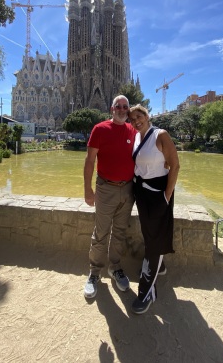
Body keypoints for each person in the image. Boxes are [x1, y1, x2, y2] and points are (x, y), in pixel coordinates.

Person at [83, 95, 137, 299]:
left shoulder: (133, 131)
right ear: (111, 109)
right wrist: (88, 189)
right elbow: (89, 161)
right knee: (101, 231)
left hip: (128, 188)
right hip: (105, 188)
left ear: (128, 110)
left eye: (125, 107)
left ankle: (115, 268)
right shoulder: (100, 129)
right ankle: (94, 272)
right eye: (118, 106)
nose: (122, 109)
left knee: (120, 231)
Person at [128, 104, 180, 314]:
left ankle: (146, 292)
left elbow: (174, 165)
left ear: (147, 116)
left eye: (139, 116)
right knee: (149, 234)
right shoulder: (137, 138)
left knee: (154, 239)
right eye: (132, 119)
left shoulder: (161, 134)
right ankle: (161, 265)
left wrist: (166, 196)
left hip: (158, 193)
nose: (136, 121)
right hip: (142, 192)